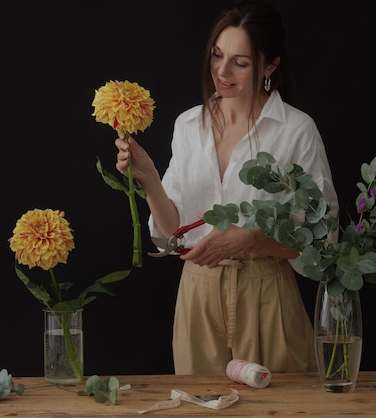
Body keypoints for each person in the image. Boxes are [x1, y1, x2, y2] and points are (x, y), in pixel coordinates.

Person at [114, 0, 338, 375]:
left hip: (266, 294)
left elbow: (324, 243)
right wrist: (149, 178)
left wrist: (250, 238)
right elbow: (172, 235)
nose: (222, 70)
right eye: (217, 55)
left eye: (241, 61)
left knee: (283, 409)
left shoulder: (296, 131)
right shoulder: (189, 125)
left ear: (270, 66)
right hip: (197, 297)